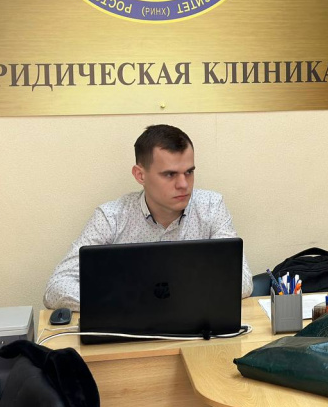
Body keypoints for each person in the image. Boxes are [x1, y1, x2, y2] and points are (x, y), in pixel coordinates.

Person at [44, 124, 253, 310]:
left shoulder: (211, 207)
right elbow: (56, 287)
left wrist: (164, 299)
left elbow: (242, 281)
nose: (183, 184)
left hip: (196, 329)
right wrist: (126, 302)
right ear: (140, 175)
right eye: (170, 174)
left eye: (189, 172)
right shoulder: (111, 217)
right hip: (128, 331)